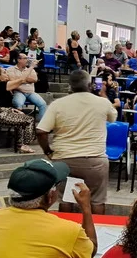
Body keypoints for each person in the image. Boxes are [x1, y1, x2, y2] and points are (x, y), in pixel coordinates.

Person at [37, 71, 117, 215]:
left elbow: (41, 131)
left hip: (64, 159)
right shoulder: (103, 102)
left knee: (66, 199)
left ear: (70, 86)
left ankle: (66, 227)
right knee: (97, 200)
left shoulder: (57, 104)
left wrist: (48, 151)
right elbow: (112, 118)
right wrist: (103, 93)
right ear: (90, 84)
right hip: (95, 160)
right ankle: (97, 227)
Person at [0, 67, 37, 153]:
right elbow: (22, 79)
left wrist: (15, 110)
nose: (7, 74)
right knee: (29, 120)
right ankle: (25, 145)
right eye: (4, 72)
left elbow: (3, 103)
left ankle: (20, 145)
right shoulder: (2, 84)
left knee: (22, 120)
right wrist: (31, 66)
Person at [7, 53, 47, 120]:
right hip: (18, 91)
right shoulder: (10, 69)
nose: (27, 60)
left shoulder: (31, 69)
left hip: (31, 92)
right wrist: (25, 79)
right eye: (25, 58)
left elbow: (34, 79)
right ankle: (18, 121)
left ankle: (41, 123)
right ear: (19, 60)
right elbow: (12, 80)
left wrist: (20, 80)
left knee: (43, 104)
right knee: (18, 103)